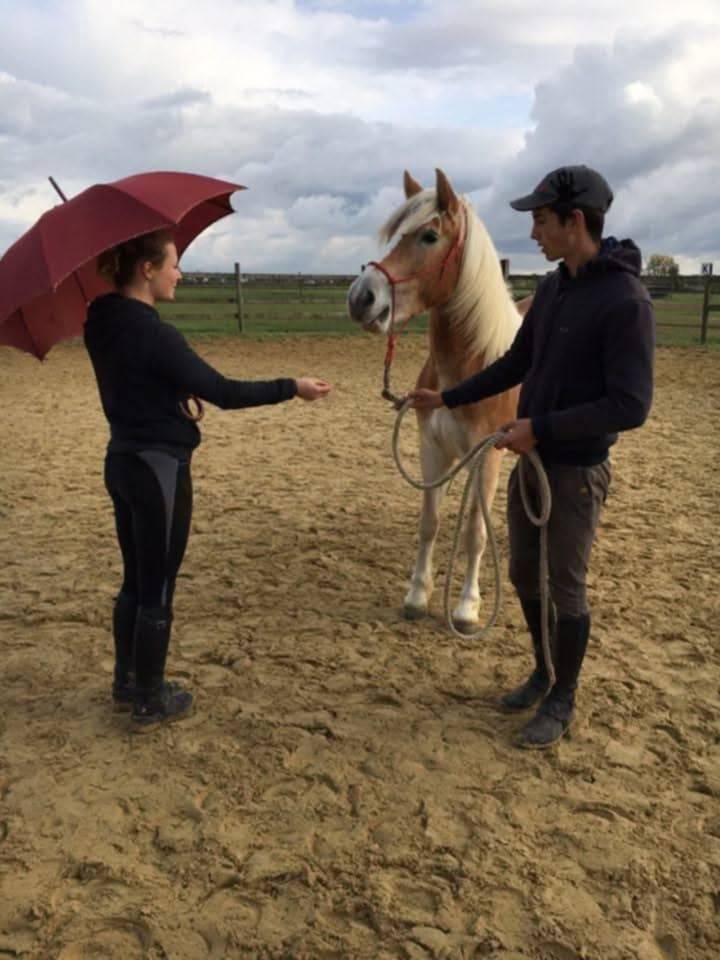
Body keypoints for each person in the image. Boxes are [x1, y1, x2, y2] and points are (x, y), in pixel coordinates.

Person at [409, 165, 655, 749]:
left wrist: (539, 428)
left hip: (574, 469)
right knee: (523, 573)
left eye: (541, 221)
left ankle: (562, 696)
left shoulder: (626, 302)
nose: (534, 233)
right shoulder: (552, 290)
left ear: (575, 222)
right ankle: (542, 672)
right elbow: (514, 364)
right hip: (534, 461)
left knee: (565, 588)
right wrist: (448, 395)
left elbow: (629, 404)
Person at [85, 230, 331, 729]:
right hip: (159, 469)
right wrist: (293, 387)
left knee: (134, 577)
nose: (180, 273)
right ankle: (150, 700)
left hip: (122, 461)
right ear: (148, 270)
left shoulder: (100, 322)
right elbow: (224, 392)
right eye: (174, 263)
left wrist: (170, 398)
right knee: (158, 584)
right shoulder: (157, 335)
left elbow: (136, 383)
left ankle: (127, 681)